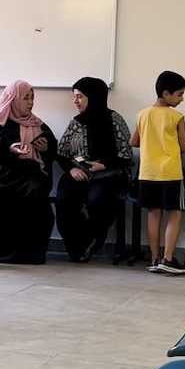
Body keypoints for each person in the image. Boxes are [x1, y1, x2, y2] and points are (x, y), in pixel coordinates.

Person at [0, 80, 57, 264]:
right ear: (13, 99)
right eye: (26, 98)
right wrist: (9, 149)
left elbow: (52, 151)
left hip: (28, 171)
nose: (30, 103)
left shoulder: (37, 124)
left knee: (35, 191)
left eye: (32, 98)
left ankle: (30, 253)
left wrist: (45, 148)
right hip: (0, 171)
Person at [56, 77, 132, 262]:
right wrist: (71, 170)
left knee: (97, 199)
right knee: (64, 197)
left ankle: (91, 240)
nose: (75, 101)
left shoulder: (115, 120)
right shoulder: (76, 122)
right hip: (79, 173)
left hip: (109, 174)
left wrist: (104, 164)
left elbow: (126, 154)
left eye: (80, 97)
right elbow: (61, 152)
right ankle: (75, 247)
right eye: (74, 97)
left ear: (94, 97)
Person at [131, 70, 185, 275]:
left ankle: (155, 258)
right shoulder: (177, 116)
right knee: (174, 213)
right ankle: (169, 258)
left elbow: (134, 141)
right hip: (170, 173)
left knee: (153, 214)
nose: (182, 99)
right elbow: (183, 146)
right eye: (180, 94)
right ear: (166, 93)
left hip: (147, 173)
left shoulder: (142, 114)